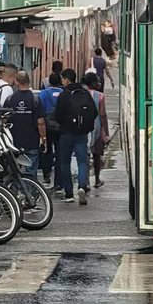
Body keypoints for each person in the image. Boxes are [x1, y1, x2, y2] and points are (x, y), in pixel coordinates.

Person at [53, 69, 98, 205]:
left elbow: (57, 115)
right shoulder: (84, 93)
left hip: (66, 133)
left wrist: (63, 124)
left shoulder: (64, 95)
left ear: (66, 80)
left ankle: (68, 193)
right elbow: (94, 112)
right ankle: (82, 186)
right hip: (82, 134)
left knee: (65, 162)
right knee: (82, 161)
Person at [4, 71, 45, 179]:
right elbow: (40, 122)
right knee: (30, 171)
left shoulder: (10, 99)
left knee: (14, 170)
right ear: (28, 81)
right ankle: (30, 193)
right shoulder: (36, 100)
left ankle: (14, 193)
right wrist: (44, 138)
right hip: (31, 141)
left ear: (16, 82)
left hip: (13, 141)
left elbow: (4, 120)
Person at [83, 72, 110, 189]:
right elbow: (102, 115)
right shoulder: (100, 96)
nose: (99, 83)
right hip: (97, 128)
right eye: (97, 81)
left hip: (84, 128)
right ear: (93, 83)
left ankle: (86, 181)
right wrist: (106, 132)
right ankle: (97, 179)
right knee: (97, 155)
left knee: (86, 156)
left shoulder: (82, 94)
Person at [38, 72, 63, 188]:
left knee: (46, 151)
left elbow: (39, 109)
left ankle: (46, 177)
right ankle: (58, 182)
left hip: (46, 126)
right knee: (59, 153)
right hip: (59, 126)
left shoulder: (43, 94)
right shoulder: (63, 93)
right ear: (60, 81)